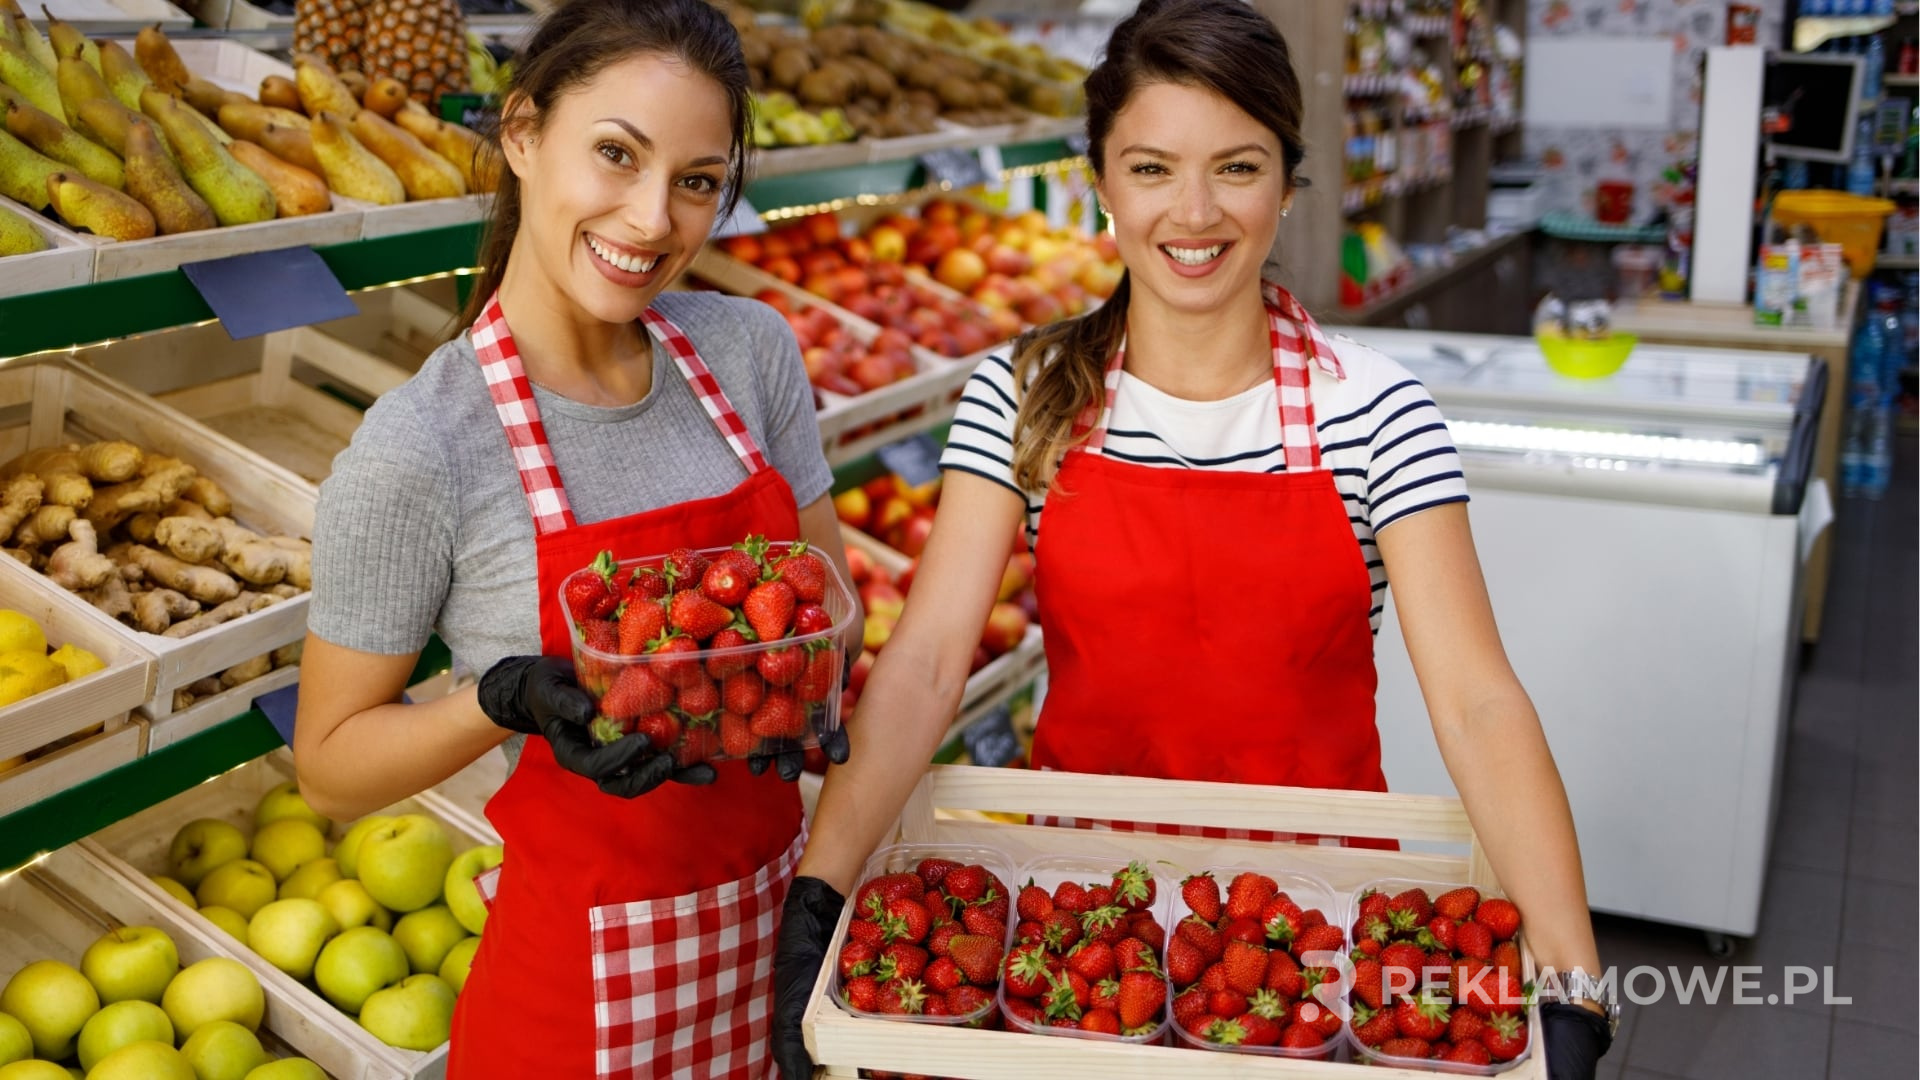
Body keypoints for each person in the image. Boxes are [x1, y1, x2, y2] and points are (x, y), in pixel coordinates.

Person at [773, 1, 1612, 1076]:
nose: (1196, 211)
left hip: (1309, 934)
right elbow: (929, 660)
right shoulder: (1026, 395)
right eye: (1153, 168)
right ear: (1101, 183)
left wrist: (1575, 984)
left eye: (1238, 167)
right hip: (1084, 922)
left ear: (1288, 183)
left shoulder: (1377, 411)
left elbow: (1477, 701)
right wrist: (820, 892)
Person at [291, 1, 856, 1076]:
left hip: (781, 939)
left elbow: (830, 604)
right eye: (616, 154)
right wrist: (499, 699)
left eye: (697, 181)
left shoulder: (750, 352)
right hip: (576, 998)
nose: (651, 219)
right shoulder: (422, 445)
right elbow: (328, 770)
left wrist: (802, 676)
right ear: (521, 133)